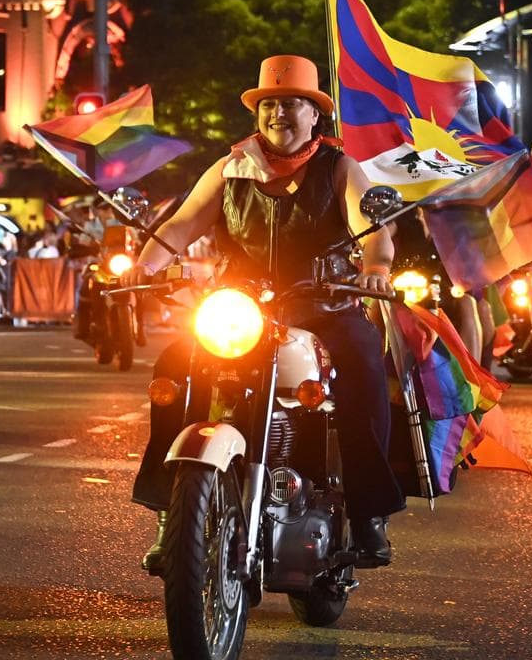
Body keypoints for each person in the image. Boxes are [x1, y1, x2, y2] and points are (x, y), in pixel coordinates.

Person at [127, 55, 404, 573]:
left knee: (365, 366)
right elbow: (181, 224)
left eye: (292, 103)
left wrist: (375, 270)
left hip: (323, 304)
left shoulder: (339, 167)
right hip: (241, 306)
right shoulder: (232, 167)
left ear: (314, 115)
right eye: (270, 104)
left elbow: (374, 232)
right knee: (173, 367)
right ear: (258, 114)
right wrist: (147, 266)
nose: (280, 113)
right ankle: (171, 510)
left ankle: (368, 512)